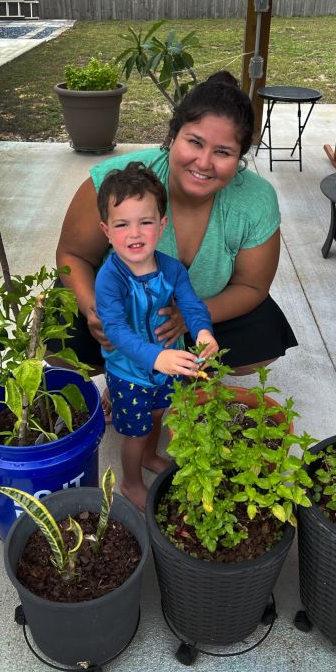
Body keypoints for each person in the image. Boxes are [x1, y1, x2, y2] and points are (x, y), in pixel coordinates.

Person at [54, 70, 297, 390]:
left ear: (240, 158)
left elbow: (252, 286)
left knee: (263, 335)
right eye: (194, 142)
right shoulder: (116, 181)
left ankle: (188, 375)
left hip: (197, 309)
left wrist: (189, 315)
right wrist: (92, 310)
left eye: (223, 152)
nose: (204, 162)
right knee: (59, 338)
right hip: (123, 312)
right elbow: (73, 253)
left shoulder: (254, 200)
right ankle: (124, 375)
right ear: (172, 136)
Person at [95, 162, 218, 510]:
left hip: (170, 365)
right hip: (130, 372)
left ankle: (151, 456)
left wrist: (204, 332)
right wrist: (156, 357)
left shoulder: (172, 268)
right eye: (122, 225)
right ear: (106, 230)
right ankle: (131, 482)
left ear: (161, 225)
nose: (134, 234)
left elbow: (192, 306)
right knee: (133, 432)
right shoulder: (110, 278)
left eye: (145, 222)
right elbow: (116, 330)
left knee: (159, 414)